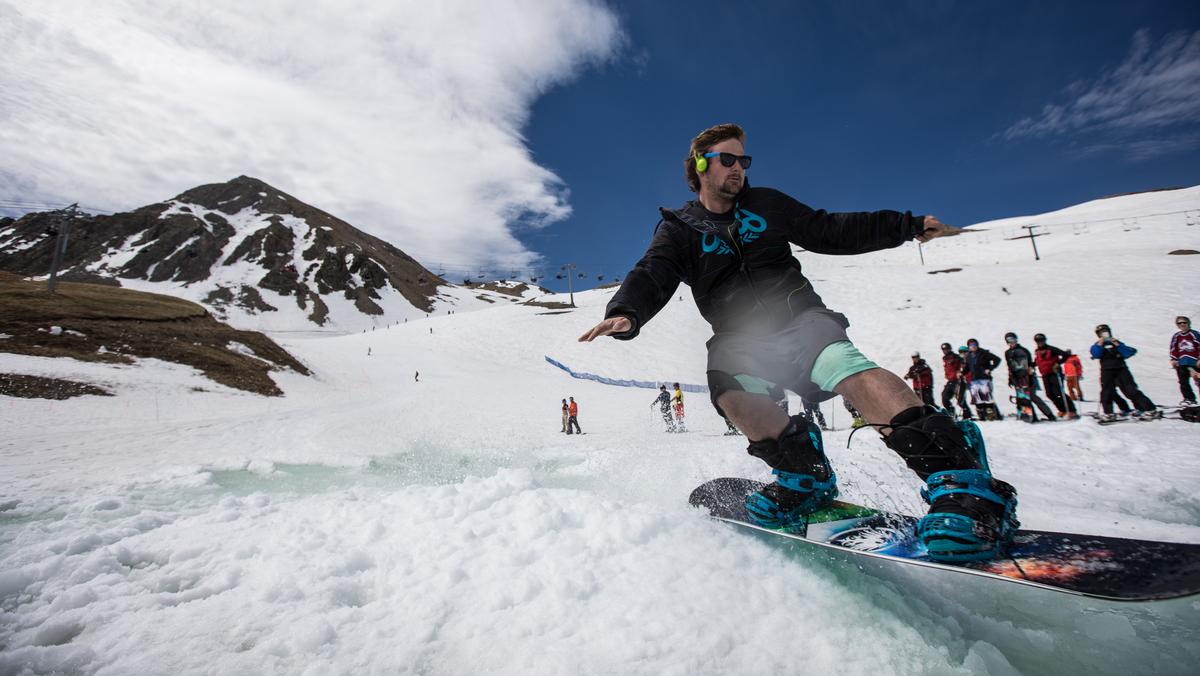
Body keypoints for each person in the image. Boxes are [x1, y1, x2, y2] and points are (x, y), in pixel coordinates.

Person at [577, 123, 1017, 562]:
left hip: (798, 318)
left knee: (844, 367)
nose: (738, 168)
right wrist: (627, 311)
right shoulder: (679, 230)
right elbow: (653, 271)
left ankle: (965, 482)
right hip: (739, 335)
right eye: (727, 159)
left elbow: (829, 230)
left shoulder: (765, 204)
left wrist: (905, 225)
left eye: (743, 160)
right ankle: (804, 475)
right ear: (700, 166)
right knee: (729, 389)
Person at [1090, 324, 1159, 421]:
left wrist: (1118, 345)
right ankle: (1108, 413)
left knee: (1131, 390)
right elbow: (1095, 354)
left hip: (1121, 369)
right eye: (1101, 333)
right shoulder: (1097, 345)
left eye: (1105, 332)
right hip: (1106, 371)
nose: (1104, 334)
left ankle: (1149, 409)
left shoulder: (1117, 343)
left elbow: (1127, 353)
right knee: (1107, 392)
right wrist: (1099, 345)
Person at [1003, 332, 1055, 422]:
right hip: (1017, 378)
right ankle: (1029, 416)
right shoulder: (1007, 353)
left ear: (1016, 340)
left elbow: (1030, 365)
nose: (1012, 342)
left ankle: (1049, 415)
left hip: (1027, 377)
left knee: (1032, 396)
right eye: (1009, 341)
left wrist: (1030, 376)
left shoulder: (1023, 350)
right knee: (1023, 398)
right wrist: (1010, 378)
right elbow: (1010, 366)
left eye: (1013, 340)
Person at [1032, 333, 1078, 419]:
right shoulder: (1037, 351)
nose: (1040, 342)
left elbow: (1065, 355)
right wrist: (1031, 365)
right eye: (1038, 341)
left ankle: (1071, 410)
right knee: (1049, 394)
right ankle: (1062, 410)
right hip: (1045, 375)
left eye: (1041, 340)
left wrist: (1058, 363)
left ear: (1045, 340)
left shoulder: (1051, 349)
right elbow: (1038, 361)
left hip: (1055, 373)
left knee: (1058, 393)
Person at [964, 338, 1003, 421]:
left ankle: (991, 415)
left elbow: (997, 359)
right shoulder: (968, 356)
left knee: (987, 397)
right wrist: (962, 373)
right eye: (971, 345)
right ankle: (981, 415)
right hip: (974, 379)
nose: (973, 347)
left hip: (984, 378)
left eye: (974, 345)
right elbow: (967, 367)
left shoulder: (984, 353)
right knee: (977, 399)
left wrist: (990, 368)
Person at [1169, 316, 1200, 405]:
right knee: (1183, 382)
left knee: (1199, 380)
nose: (1182, 324)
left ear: (1188, 323)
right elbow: (1173, 348)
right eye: (1179, 323)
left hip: (1195, 362)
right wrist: (1174, 359)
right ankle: (1189, 399)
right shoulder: (1177, 336)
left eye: (1184, 322)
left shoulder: (1195, 334)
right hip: (1182, 363)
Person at [939, 343, 973, 420]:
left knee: (960, 400)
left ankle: (967, 415)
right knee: (944, 397)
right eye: (943, 349)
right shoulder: (945, 358)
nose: (945, 351)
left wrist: (961, 371)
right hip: (950, 381)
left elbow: (963, 364)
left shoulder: (955, 357)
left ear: (950, 349)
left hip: (959, 380)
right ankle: (952, 413)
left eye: (947, 349)